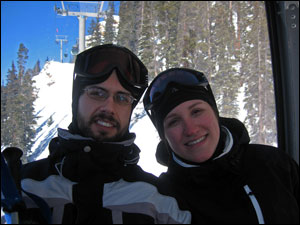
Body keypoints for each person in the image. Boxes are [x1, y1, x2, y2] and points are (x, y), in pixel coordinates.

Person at [6, 45, 191, 224]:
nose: (109, 107)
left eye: (121, 98)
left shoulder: (159, 201)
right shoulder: (23, 187)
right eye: (97, 93)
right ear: (76, 99)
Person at [143, 68, 299, 224]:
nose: (191, 130)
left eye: (196, 111)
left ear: (215, 112)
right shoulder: (164, 198)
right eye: (174, 121)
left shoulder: (273, 163)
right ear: (164, 136)